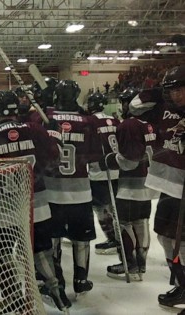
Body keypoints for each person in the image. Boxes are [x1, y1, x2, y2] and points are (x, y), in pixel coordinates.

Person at [0, 90, 68, 313]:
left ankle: (12, 296)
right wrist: (52, 138)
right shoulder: (35, 130)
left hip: (1, 206)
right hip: (36, 203)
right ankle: (55, 292)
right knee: (40, 251)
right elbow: (53, 161)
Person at [44, 79, 101, 296]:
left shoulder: (45, 120)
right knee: (81, 239)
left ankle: (56, 281)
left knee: (53, 238)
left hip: (52, 192)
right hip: (80, 193)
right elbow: (95, 157)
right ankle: (81, 279)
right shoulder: (88, 121)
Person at [100, 88, 162, 281]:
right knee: (141, 222)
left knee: (124, 223)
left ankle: (130, 263)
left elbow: (130, 160)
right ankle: (140, 263)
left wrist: (109, 160)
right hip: (148, 183)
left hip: (130, 187)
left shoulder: (129, 125)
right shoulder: (151, 124)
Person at [144, 65, 185, 311]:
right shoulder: (166, 110)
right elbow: (137, 104)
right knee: (164, 236)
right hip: (170, 186)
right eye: (173, 91)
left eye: (180, 89)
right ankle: (182, 284)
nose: (176, 95)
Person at [86, 91, 121, 255]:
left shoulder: (90, 121)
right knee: (113, 207)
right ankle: (119, 239)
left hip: (99, 171)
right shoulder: (114, 120)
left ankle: (113, 239)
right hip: (116, 168)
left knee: (101, 208)